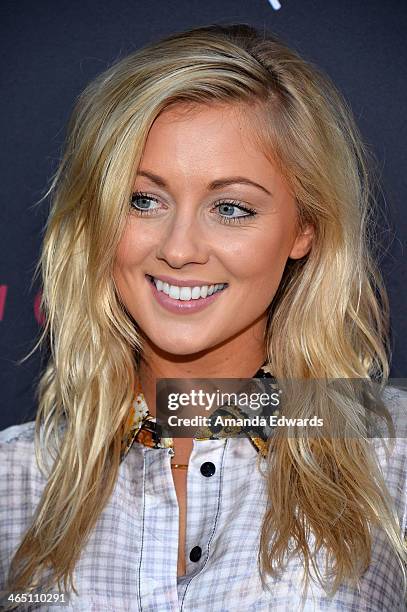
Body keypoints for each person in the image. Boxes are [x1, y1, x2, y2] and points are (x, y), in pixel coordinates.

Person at [0, 23, 406, 611]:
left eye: (231, 208)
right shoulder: (16, 482)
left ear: (304, 228)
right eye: (144, 200)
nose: (180, 247)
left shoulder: (387, 455)